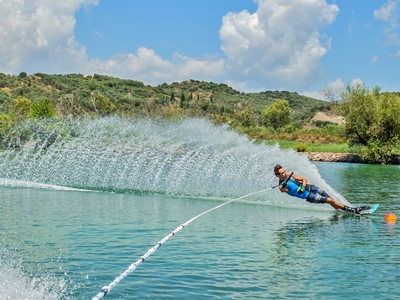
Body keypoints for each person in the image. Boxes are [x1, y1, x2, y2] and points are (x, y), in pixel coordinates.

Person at [273, 164, 365, 214]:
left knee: (331, 199)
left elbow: (304, 179)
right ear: (278, 175)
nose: (285, 173)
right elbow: (287, 191)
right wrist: (285, 186)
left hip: (311, 188)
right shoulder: (281, 186)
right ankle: (352, 210)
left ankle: (340, 212)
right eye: (283, 173)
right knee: (330, 200)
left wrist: (303, 186)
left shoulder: (290, 175)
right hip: (309, 196)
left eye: (284, 171)